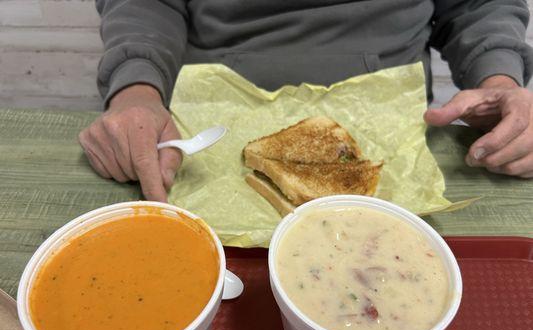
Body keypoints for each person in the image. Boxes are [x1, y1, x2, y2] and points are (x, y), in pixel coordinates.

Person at [79, 0, 533, 202]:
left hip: (398, 125)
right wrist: (134, 90)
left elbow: (478, 4)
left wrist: (500, 82)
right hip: (204, 126)